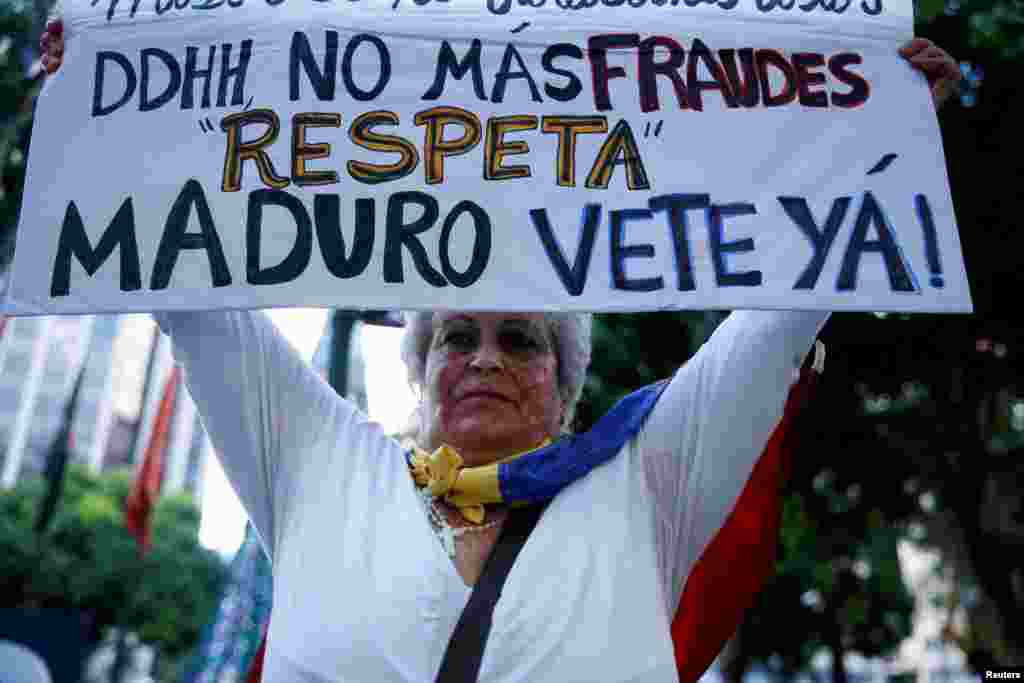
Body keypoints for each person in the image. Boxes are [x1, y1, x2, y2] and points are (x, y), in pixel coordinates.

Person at [37, 19, 960, 683]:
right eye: (453, 336)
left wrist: (877, 129)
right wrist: (97, 114)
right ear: (419, 367)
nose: (482, 358)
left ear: (567, 388)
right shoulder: (322, 460)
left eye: (519, 339)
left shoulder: (646, 483)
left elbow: (780, 317)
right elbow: (196, 300)